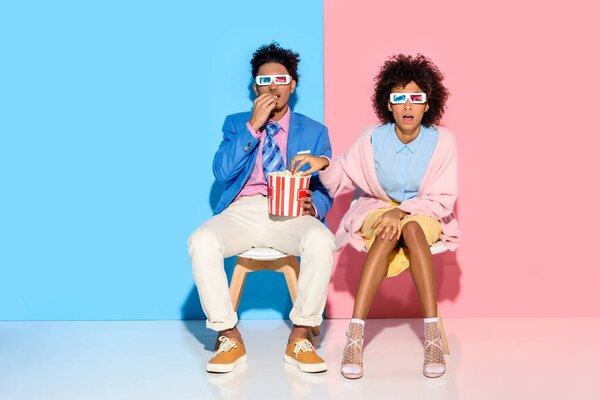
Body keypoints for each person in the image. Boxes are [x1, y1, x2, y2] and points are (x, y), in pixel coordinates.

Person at [291, 54, 460, 378]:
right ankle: (355, 335)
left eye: (416, 98)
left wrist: (402, 212)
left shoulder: (443, 142)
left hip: (423, 211)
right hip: (377, 209)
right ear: (388, 103)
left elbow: (443, 198)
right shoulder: (372, 138)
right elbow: (342, 175)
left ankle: (432, 338)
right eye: (399, 98)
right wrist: (323, 164)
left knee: (410, 229)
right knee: (387, 229)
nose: (407, 106)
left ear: (428, 103)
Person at [187, 43, 335, 374]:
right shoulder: (236, 123)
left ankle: (300, 337)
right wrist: (253, 126)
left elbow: (327, 185)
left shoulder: (314, 130)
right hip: (243, 210)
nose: (272, 85)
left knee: (322, 240)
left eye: (281, 78)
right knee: (201, 241)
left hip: (292, 212)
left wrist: (316, 206)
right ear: (256, 86)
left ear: (292, 85)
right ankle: (228, 336)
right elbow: (222, 172)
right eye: (264, 79)